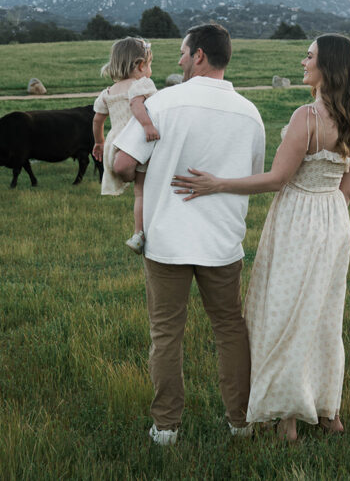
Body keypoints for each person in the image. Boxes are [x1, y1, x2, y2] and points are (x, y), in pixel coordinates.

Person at [170, 33, 350, 442]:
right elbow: (346, 191)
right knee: (323, 317)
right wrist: (328, 221)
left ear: (327, 66)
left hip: (298, 222)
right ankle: (330, 414)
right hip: (333, 222)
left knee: (284, 316)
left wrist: (217, 183)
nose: (302, 62)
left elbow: (277, 179)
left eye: (309, 56)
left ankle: (288, 420)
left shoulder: (306, 118)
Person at [112, 23, 266, 446]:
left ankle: (166, 428)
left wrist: (149, 172)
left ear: (198, 55)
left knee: (166, 334)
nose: (179, 61)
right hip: (222, 241)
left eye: (182, 53)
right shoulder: (249, 112)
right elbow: (251, 174)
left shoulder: (163, 104)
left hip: (167, 241)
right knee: (230, 329)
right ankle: (240, 422)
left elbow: (123, 165)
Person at [92, 37, 160, 253]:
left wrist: (99, 142)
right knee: (143, 191)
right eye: (149, 64)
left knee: (138, 193)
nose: (150, 70)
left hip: (115, 145)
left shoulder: (108, 93)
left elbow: (97, 120)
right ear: (140, 65)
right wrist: (148, 125)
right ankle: (140, 232)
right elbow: (138, 106)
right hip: (136, 144)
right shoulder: (142, 85)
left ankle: (139, 231)